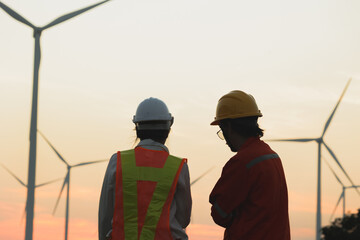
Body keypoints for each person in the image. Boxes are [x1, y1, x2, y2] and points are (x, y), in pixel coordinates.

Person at [99, 97, 192, 240]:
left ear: (136, 128)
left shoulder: (118, 162)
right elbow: (183, 219)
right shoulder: (178, 167)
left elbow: (105, 216)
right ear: (168, 128)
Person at [209, 90, 290, 240]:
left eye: (221, 130)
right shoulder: (271, 156)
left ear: (228, 126)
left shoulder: (242, 162)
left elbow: (219, 213)